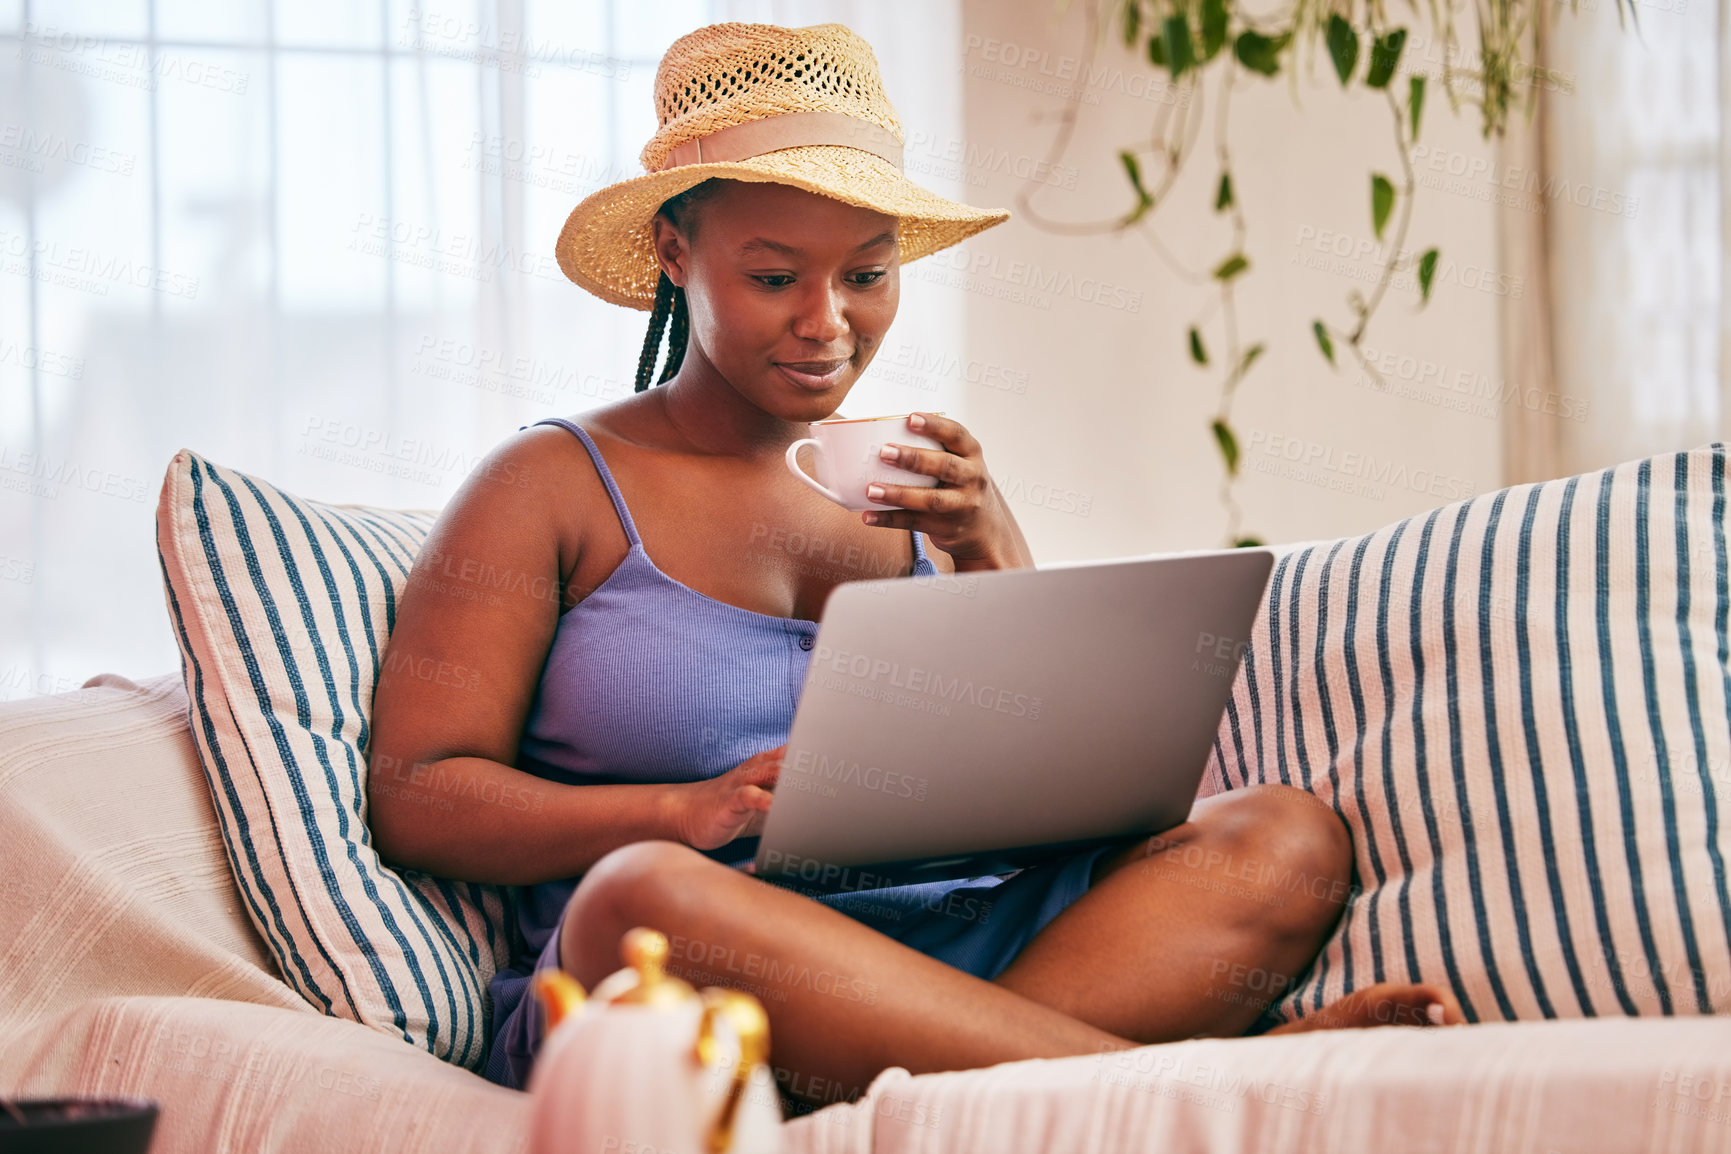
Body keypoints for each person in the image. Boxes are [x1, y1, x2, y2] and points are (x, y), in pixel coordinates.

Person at [366, 21, 1464, 1104]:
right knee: (642, 896)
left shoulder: (912, 483)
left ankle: (986, 1083)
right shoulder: (551, 483)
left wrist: (990, 540)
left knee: (1282, 834)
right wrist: (679, 811)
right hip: (695, 970)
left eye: (868, 275)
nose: (827, 324)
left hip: (962, 947)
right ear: (673, 252)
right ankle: (1215, 1088)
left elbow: (1069, 769)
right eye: (775, 276)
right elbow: (417, 794)